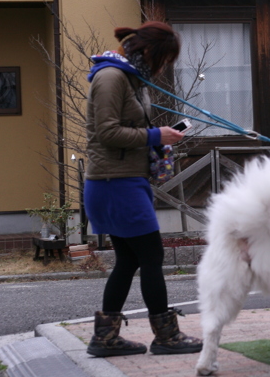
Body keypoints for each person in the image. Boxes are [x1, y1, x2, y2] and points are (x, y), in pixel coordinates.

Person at [83, 21, 202, 357]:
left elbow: (126, 128)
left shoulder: (130, 79)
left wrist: (157, 137)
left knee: (129, 259)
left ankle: (105, 338)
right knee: (151, 255)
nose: (163, 67)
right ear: (148, 51)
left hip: (122, 180)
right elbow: (106, 133)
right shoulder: (111, 78)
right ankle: (165, 336)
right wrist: (155, 136)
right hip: (114, 183)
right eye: (163, 59)